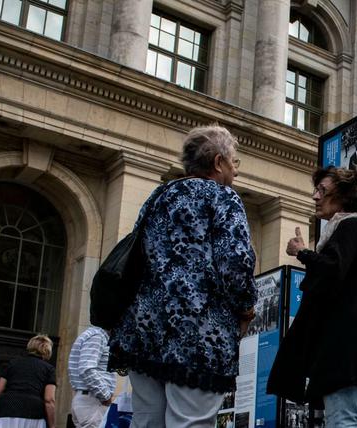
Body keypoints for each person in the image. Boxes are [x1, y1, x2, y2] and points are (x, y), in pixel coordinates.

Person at [108, 125, 258, 428]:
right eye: (234, 162)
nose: (236, 171)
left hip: (144, 329)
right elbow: (235, 263)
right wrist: (246, 308)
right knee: (190, 422)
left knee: (146, 422)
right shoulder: (223, 198)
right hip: (198, 333)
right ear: (218, 162)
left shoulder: (159, 195)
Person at [267, 166, 357, 428]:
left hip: (343, 349)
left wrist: (302, 253)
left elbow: (332, 270)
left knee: (341, 420)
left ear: (344, 196)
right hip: (356, 349)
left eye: (322, 191)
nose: (315, 196)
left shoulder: (349, 227)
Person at [0, 335, 56, 428]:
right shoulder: (48, 369)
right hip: (33, 413)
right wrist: (52, 425)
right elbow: (49, 400)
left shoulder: (12, 363)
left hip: (4, 411)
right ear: (47, 350)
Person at [68, 326, 116, 427]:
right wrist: (105, 396)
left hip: (88, 399)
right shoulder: (97, 336)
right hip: (93, 401)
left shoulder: (92, 334)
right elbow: (87, 369)